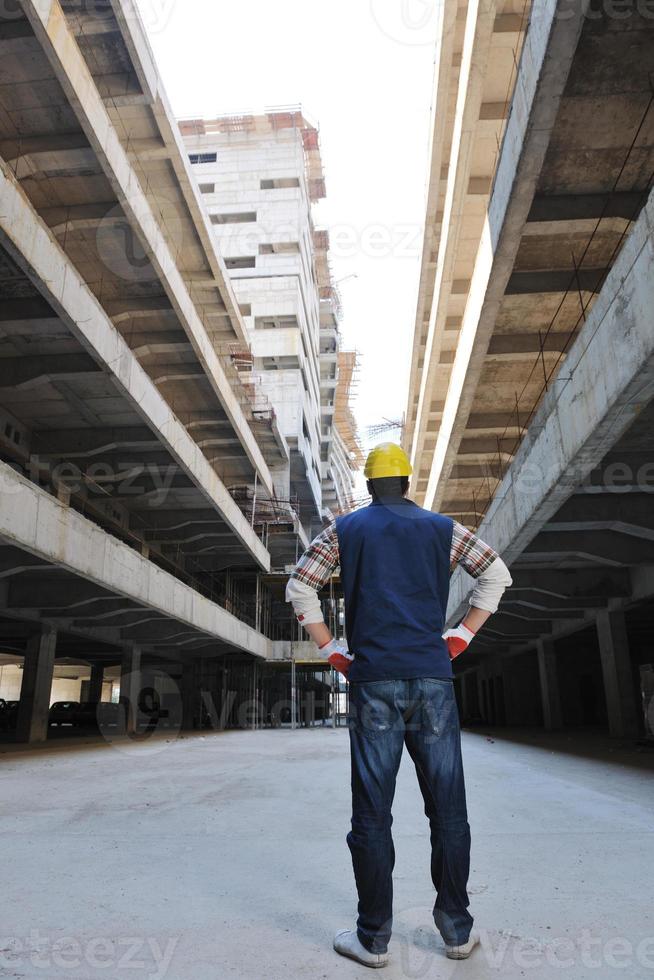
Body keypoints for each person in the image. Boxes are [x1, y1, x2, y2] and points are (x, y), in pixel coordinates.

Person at [286, 442, 512, 967]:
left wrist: (330, 649)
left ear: (368, 485)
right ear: (407, 483)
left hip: (373, 683)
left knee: (371, 814)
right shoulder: (442, 529)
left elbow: (301, 588)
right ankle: (457, 932)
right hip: (432, 679)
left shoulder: (345, 531)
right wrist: (460, 637)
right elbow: (495, 575)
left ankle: (373, 940)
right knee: (449, 811)